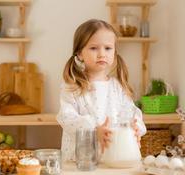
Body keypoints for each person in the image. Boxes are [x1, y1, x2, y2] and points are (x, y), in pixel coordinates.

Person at [57, 19, 146, 161]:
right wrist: (93, 130)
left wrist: (135, 127)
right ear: (80, 53)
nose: (102, 54)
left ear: (115, 52)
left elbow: (131, 112)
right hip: (81, 162)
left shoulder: (118, 87)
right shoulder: (72, 87)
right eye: (93, 48)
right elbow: (67, 118)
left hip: (114, 158)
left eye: (108, 48)